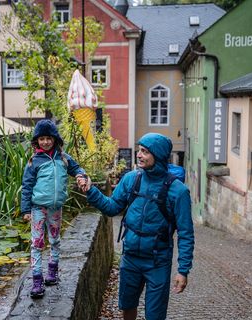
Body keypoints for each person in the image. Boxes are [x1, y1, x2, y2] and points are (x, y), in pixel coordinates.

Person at [79, 133, 194, 320]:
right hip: (131, 257)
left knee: (155, 315)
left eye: (145, 152)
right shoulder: (131, 179)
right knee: (127, 305)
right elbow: (112, 207)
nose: (139, 155)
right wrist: (91, 191)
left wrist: (183, 270)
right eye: (139, 150)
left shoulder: (178, 191)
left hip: (158, 261)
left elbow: (186, 233)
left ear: (158, 155)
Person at [21, 119, 87, 298]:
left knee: (55, 240)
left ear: (55, 139)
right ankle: (36, 280)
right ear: (37, 141)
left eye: (48, 138)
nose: (45, 142)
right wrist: (26, 210)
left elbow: (77, 169)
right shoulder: (34, 161)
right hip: (37, 208)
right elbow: (27, 185)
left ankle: (52, 273)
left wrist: (82, 176)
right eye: (41, 139)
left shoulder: (63, 157)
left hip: (55, 208)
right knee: (37, 243)